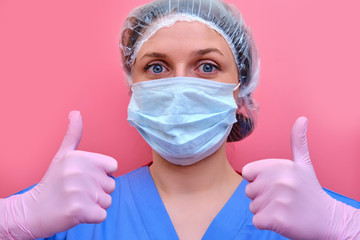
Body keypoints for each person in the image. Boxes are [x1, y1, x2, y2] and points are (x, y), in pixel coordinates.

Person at [1, 0, 360, 239]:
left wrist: (346, 229)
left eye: (207, 66)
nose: (179, 86)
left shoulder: (318, 218)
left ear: (240, 91)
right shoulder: (63, 213)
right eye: (157, 67)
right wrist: (13, 221)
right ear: (134, 89)